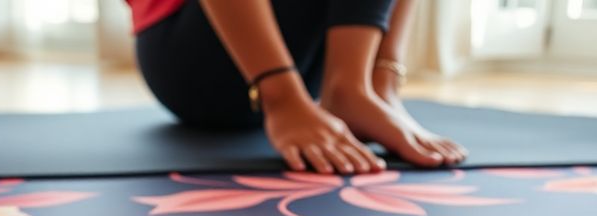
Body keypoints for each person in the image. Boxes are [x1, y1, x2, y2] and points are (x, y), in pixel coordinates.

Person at [130, 0, 468, 174]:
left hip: (311, 59)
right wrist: (282, 98)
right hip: (195, 57)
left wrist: (383, 84)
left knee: (363, 91)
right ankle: (327, 93)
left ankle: (356, 91)